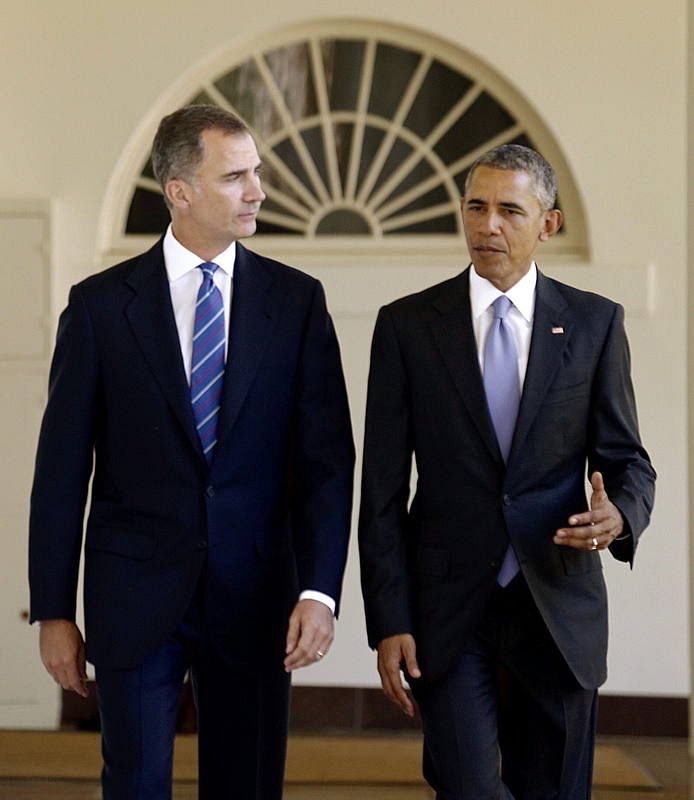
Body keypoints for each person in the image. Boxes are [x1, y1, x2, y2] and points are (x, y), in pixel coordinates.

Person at [29, 104, 354, 799]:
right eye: (236, 176)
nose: (258, 190)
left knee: (246, 785)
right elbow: (60, 472)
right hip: (134, 595)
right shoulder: (98, 308)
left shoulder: (296, 303)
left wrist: (320, 589)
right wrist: (54, 610)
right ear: (180, 191)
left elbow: (327, 463)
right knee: (136, 784)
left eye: (256, 172)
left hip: (258, 595)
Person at [359, 144, 655, 799]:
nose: (488, 225)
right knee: (467, 787)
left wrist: (619, 515)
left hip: (558, 607)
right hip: (448, 608)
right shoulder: (407, 327)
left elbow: (627, 460)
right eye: (476, 206)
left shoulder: (594, 323)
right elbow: (381, 489)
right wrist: (389, 619)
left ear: (547, 224)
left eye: (510, 210)